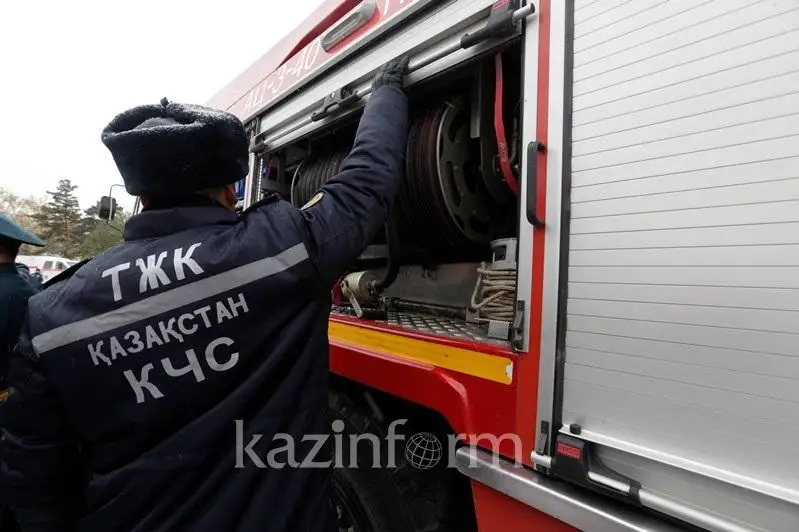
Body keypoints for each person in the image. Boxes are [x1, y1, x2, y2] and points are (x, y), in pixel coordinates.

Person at [0, 56, 409, 532]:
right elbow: (365, 186)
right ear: (229, 193)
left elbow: (33, 477)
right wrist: (387, 93)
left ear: (140, 197)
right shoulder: (280, 247)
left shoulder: (52, 314)